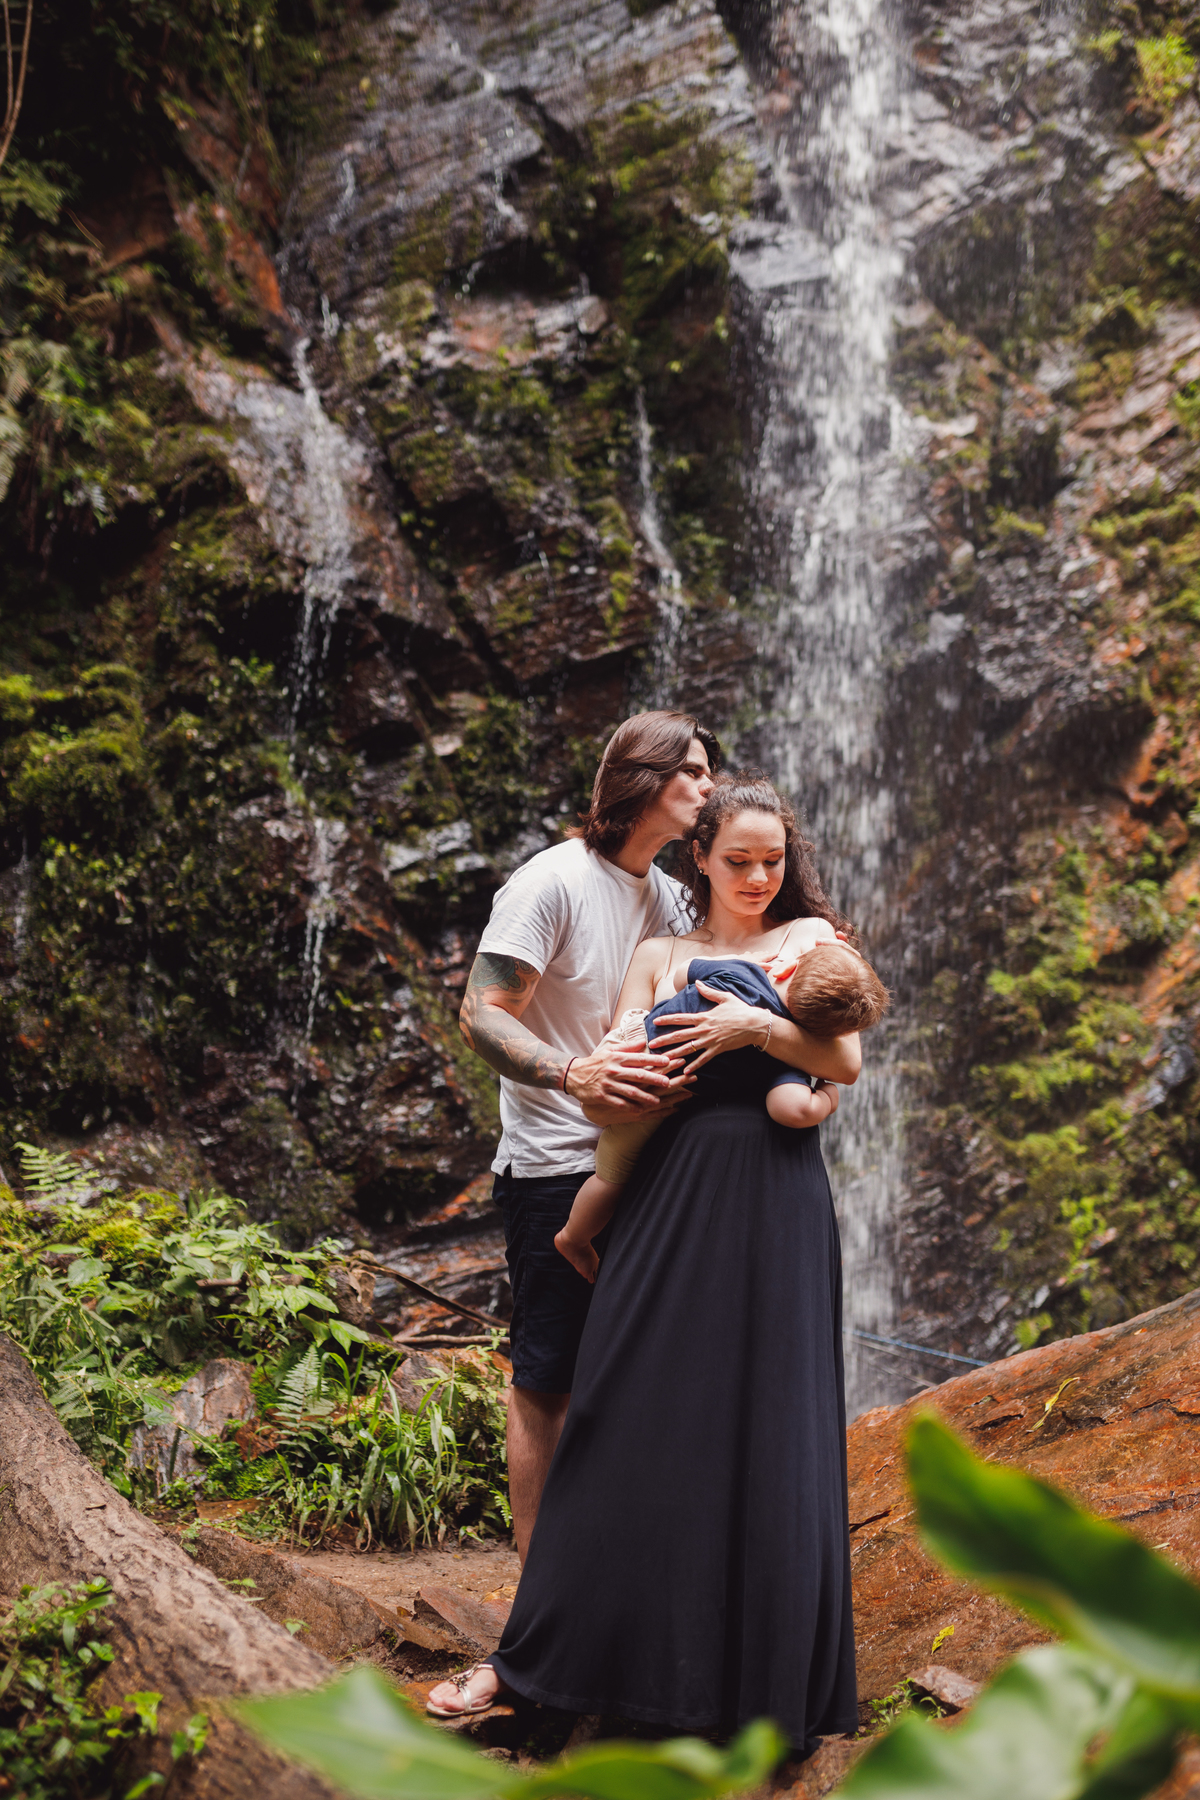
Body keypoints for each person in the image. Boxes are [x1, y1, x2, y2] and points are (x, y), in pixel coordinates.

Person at [430, 773, 866, 1755]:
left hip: (774, 1196)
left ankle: (752, 1695)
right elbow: (608, 1078)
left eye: (774, 862)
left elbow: (845, 1063)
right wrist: (639, 1067)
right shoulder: (661, 951)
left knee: (769, 1424)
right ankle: (551, 1661)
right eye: (739, 861)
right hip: (663, 1190)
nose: (759, 877)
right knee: (622, 1411)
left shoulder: (811, 944)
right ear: (698, 860)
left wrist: (753, 1028)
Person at [554, 934, 889, 1281]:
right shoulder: (779, 1052)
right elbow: (791, 1109)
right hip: (651, 1086)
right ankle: (573, 1238)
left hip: (628, 1041)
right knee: (610, 1178)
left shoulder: (737, 971)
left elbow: (681, 975)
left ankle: (576, 1236)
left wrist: (744, 963)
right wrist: (827, 1098)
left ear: (790, 967)